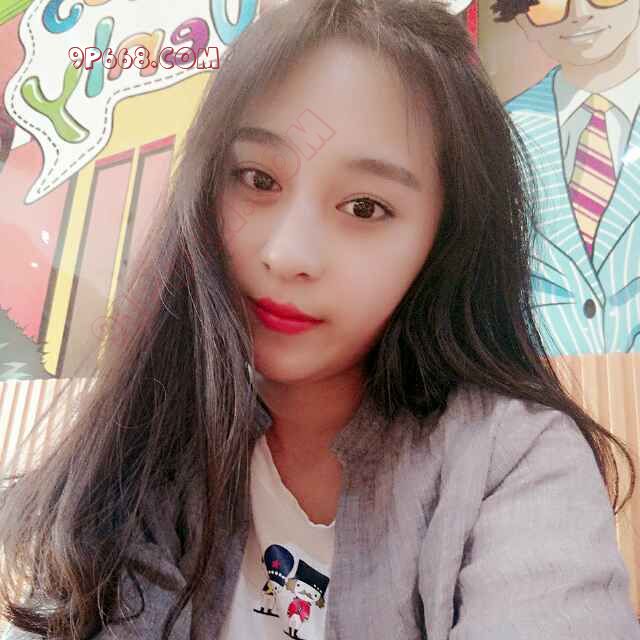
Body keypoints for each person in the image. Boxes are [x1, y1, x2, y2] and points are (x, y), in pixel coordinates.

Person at [1, 1, 639, 639]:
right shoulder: (150, 440)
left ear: (444, 240)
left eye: (364, 207)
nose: (287, 255)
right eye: (257, 179)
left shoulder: (513, 458)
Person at [492, 0, 640, 355]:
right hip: (537, 376)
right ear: (522, 19)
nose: (580, 14)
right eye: (550, 3)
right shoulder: (498, 135)